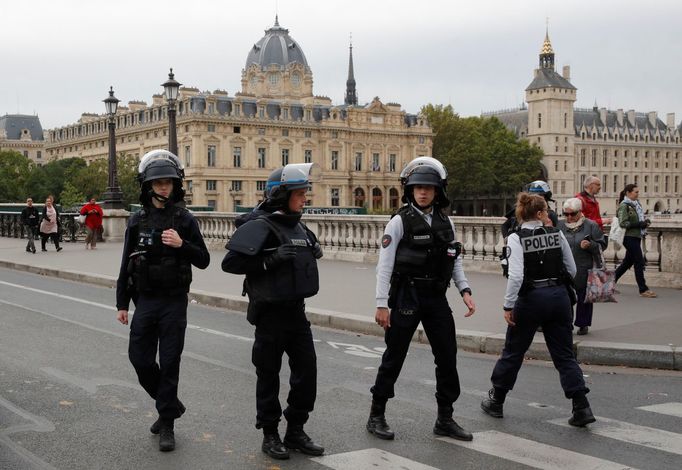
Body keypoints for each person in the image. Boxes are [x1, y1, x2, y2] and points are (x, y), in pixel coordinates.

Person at [368, 156, 476, 442]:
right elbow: (385, 265)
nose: (423, 192)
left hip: (436, 297)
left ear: (438, 190)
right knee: (394, 356)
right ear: (410, 191)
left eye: (428, 187)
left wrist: (464, 290)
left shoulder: (446, 221)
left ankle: (445, 418)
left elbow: (454, 259)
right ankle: (376, 414)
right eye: (418, 188)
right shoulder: (399, 222)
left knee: (447, 357)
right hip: (407, 295)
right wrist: (381, 304)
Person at [222, 163, 325, 460]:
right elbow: (230, 264)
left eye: (305, 192)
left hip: (297, 313)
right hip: (269, 316)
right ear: (280, 195)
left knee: (307, 374)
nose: (305, 198)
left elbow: (308, 254)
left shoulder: (300, 226)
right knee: (268, 376)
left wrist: (313, 249)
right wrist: (268, 262)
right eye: (299, 193)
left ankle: (295, 431)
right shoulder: (260, 225)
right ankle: (270, 434)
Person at [115, 149, 210, 452]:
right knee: (140, 359)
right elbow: (125, 264)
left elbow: (204, 259)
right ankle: (170, 405)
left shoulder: (185, 219)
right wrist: (121, 304)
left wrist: (182, 245)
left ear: (176, 184)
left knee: (169, 363)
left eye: (168, 182)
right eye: (158, 183)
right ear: (147, 186)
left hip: (173, 302)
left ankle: (166, 424)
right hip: (145, 301)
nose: (164, 187)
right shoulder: (136, 220)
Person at [481, 192, 596, 427]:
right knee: (564, 354)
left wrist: (508, 304)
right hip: (559, 297)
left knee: (514, 350)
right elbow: (571, 268)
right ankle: (581, 405)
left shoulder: (516, 238)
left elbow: (515, 276)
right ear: (542, 213)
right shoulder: (557, 234)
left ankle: (497, 400)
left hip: (531, 298)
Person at [558, 198, 606, 335]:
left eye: (572, 214)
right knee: (565, 297)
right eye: (566, 214)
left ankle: (583, 324)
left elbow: (602, 245)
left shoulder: (591, 225)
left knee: (584, 297)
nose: (569, 217)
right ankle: (567, 323)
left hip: (584, 267)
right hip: (564, 269)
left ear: (580, 212)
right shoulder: (560, 226)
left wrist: (590, 245)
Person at [500, 180, 557, 278]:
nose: (535, 199)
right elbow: (505, 225)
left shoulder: (550, 214)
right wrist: (507, 238)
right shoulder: (521, 211)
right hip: (518, 252)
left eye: (539, 196)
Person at [614, 184, 656, 298]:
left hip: (636, 236)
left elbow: (637, 219)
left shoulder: (636, 205)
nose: (638, 194)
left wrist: (644, 222)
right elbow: (623, 223)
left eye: (638, 192)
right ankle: (643, 289)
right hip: (628, 237)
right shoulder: (624, 205)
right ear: (628, 193)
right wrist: (639, 224)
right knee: (639, 261)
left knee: (627, 262)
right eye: (636, 192)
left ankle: (608, 283)